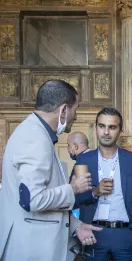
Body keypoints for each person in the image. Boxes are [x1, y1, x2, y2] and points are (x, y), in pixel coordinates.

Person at [0, 80, 101, 260]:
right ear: (63, 110)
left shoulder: (36, 133)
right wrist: (74, 188)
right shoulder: (34, 137)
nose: (76, 116)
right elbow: (33, 199)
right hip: (32, 249)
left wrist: (75, 224)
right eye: (75, 109)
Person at [71, 108, 132, 261]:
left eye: (112, 127)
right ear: (96, 128)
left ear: (121, 131)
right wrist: (94, 192)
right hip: (93, 233)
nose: (106, 132)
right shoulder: (84, 160)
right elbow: (72, 199)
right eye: (102, 126)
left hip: (126, 234)